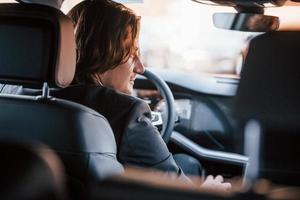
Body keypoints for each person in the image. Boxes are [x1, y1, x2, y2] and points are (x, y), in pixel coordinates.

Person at [5, 0, 230, 191]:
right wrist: (208, 191)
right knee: (193, 166)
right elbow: (176, 190)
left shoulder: (9, 95)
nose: (141, 68)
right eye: (132, 54)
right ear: (102, 55)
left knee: (186, 162)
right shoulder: (127, 112)